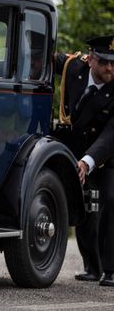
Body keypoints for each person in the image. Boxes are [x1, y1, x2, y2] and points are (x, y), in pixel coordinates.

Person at [54, 35, 114, 287]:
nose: (110, 68)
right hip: (75, 149)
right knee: (85, 206)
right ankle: (92, 266)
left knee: (110, 200)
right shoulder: (74, 67)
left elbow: (111, 133)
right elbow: (42, 56)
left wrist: (87, 162)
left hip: (107, 154)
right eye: (104, 62)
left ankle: (111, 270)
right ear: (90, 59)